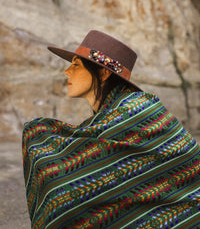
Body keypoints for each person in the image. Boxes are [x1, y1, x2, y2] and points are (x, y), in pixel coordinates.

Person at [22, 30, 200, 229]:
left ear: (104, 72)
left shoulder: (136, 108)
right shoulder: (110, 113)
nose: (67, 71)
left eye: (76, 65)